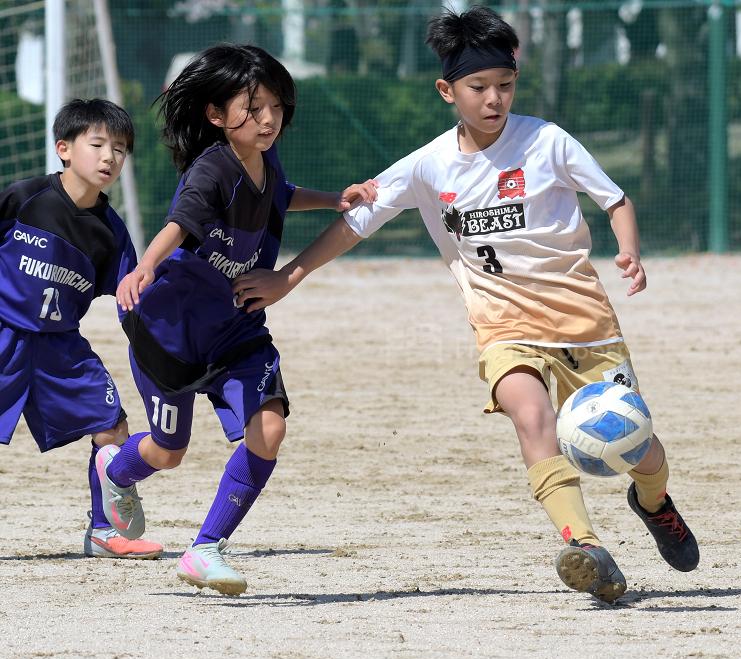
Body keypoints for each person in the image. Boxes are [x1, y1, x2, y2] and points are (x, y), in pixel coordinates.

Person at [232, 7, 699, 604]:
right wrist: (287, 276)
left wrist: (628, 249)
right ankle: (585, 547)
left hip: (587, 325)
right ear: (447, 90)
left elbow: (616, 199)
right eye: (479, 88)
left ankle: (653, 502)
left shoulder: (547, 141)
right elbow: (355, 225)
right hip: (503, 327)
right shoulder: (429, 165)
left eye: (505, 85)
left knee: (641, 450)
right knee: (532, 420)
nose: (494, 99)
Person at [109, 44, 376, 596]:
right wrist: (145, 268)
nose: (269, 119)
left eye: (276, 106)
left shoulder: (266, 159)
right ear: (216, 115)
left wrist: (333, 200)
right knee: (168, 450)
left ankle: (205, 548)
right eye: (253, 108)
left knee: (270, 426)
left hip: (237, 329)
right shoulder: (211, 171)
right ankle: (114, 471)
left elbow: (279, 196)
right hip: (172, 333)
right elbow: (180, 225)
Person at [0, 99, 163, 559]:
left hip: (61, 348)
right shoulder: (24, 199)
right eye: (97, 144)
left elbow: (132, 301)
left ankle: (103, 532)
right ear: (64, 149)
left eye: (120, 148)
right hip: (4, 335)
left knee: (112, 428)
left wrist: (163, 348)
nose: (110, 157)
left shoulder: (111, 231)